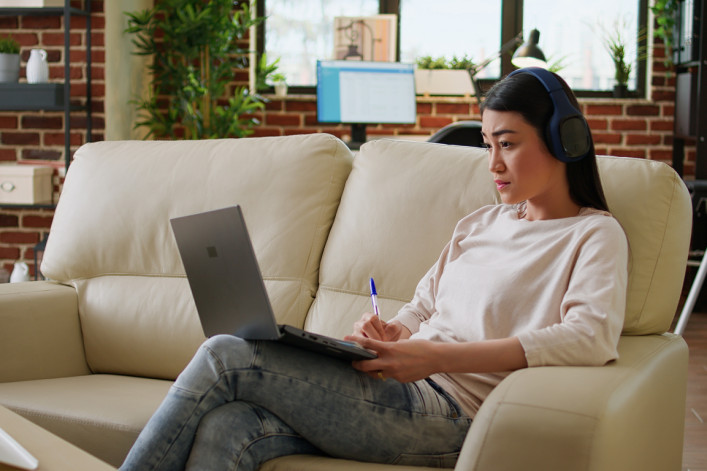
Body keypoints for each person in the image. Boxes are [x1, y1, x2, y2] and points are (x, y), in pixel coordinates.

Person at [120, 68, 628, 471]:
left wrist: (435, 358)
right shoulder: (480, 222)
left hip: (456, 414)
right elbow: (425, 305)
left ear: (566, 141)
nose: (493, 163)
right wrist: (393, 331)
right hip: (405, 387)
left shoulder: (592, 235)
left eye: (509, 143)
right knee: (229, 428)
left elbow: (589, 337)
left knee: (226, 355)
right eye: (488, 145)